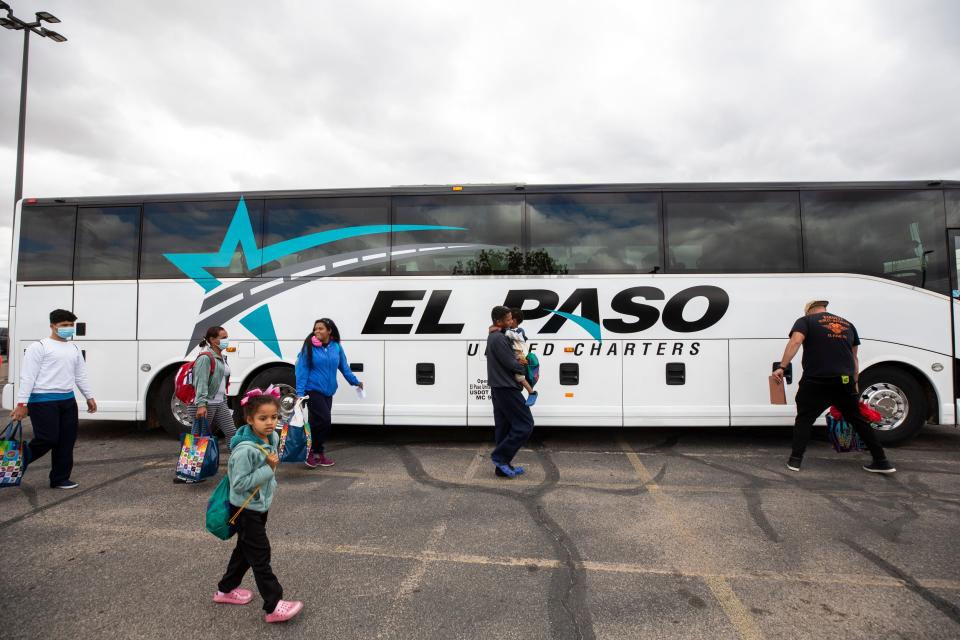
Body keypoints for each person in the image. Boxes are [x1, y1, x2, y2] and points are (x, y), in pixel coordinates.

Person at [773, 300, 895, 474]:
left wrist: (782, 366)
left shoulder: (806, 321)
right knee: (858, 420)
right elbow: (854, 358)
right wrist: (855, 383)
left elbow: (795, 342)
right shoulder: (848, 324)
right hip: (844, 381)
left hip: (816, 380)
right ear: (825, 309)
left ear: (809, 311)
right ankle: (882, 461)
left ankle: (795, 461)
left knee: (805, 420)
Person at [212, 389, 303, 623]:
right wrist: (268, 469)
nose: (270, 422)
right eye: (263, 418)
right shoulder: (244, 450)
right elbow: (240, 484)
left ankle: (225, 590)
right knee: (260, 554)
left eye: (273, 417)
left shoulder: (269, 438)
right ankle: (274, 605)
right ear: (250, 419)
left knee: (245, 551)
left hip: (257, 507)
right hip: (246, 510)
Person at [11, 309, 96, 490]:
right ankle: (15, 461)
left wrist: (89, 396)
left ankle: (60, 478)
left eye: (71, 325)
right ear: (52, 326)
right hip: (42, 401)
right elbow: (28, 377)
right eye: (64, 325)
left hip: (67, 400)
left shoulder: (73, 348)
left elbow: (80, 375)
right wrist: (21, 404)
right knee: (47, 439)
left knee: (66, 441)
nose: (68, 328)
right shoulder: (40, 347)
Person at [294, 318, 364, 468]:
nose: (317, 331)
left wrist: (355, 382)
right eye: (315, 329)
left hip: (329, 391)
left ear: (329, 330)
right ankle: (311, 451)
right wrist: (300, 393)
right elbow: (301, 371)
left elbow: (344, 368)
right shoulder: (309, 347)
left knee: (316, 423)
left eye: (321, 328)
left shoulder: (336, 347)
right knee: (325, 421)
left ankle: (318, 453)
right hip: (313, 390)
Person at [486, 306, 535, 478]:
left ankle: (502, 468)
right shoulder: (499, 339)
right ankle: (499, 457)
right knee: (525, 424)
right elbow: (512, 364)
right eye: (507, 319)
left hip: (499, 387)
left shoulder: (495, 335)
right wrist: (524, 363)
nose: (511, 322)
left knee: (504, 427)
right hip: (506, 388)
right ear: (498, 321)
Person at [187, 326, 236, 447]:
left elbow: (222, 383)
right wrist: (201, 405)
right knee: (200, 438)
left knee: (232, 432)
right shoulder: (205, 358)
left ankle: (235, 463)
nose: (227, 340)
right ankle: (194, 465)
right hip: (205, 404)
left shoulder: (222, 358)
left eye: (227, 337)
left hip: (219, 403)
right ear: (213, 340)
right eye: (224, 338)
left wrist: (224, 400)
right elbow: (201, 382)